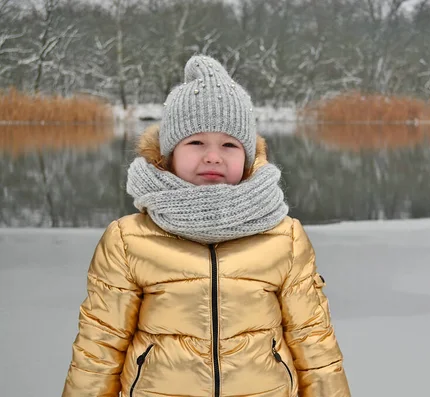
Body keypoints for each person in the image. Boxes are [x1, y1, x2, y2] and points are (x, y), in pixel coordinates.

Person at [62, 54, 351, 397]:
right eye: (196, 142)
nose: (213, 156)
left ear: (247, 156)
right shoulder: (128, 240)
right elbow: (99, 347)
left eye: (229, 145)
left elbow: (314, 342)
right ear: (169, 153)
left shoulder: (284, 238)